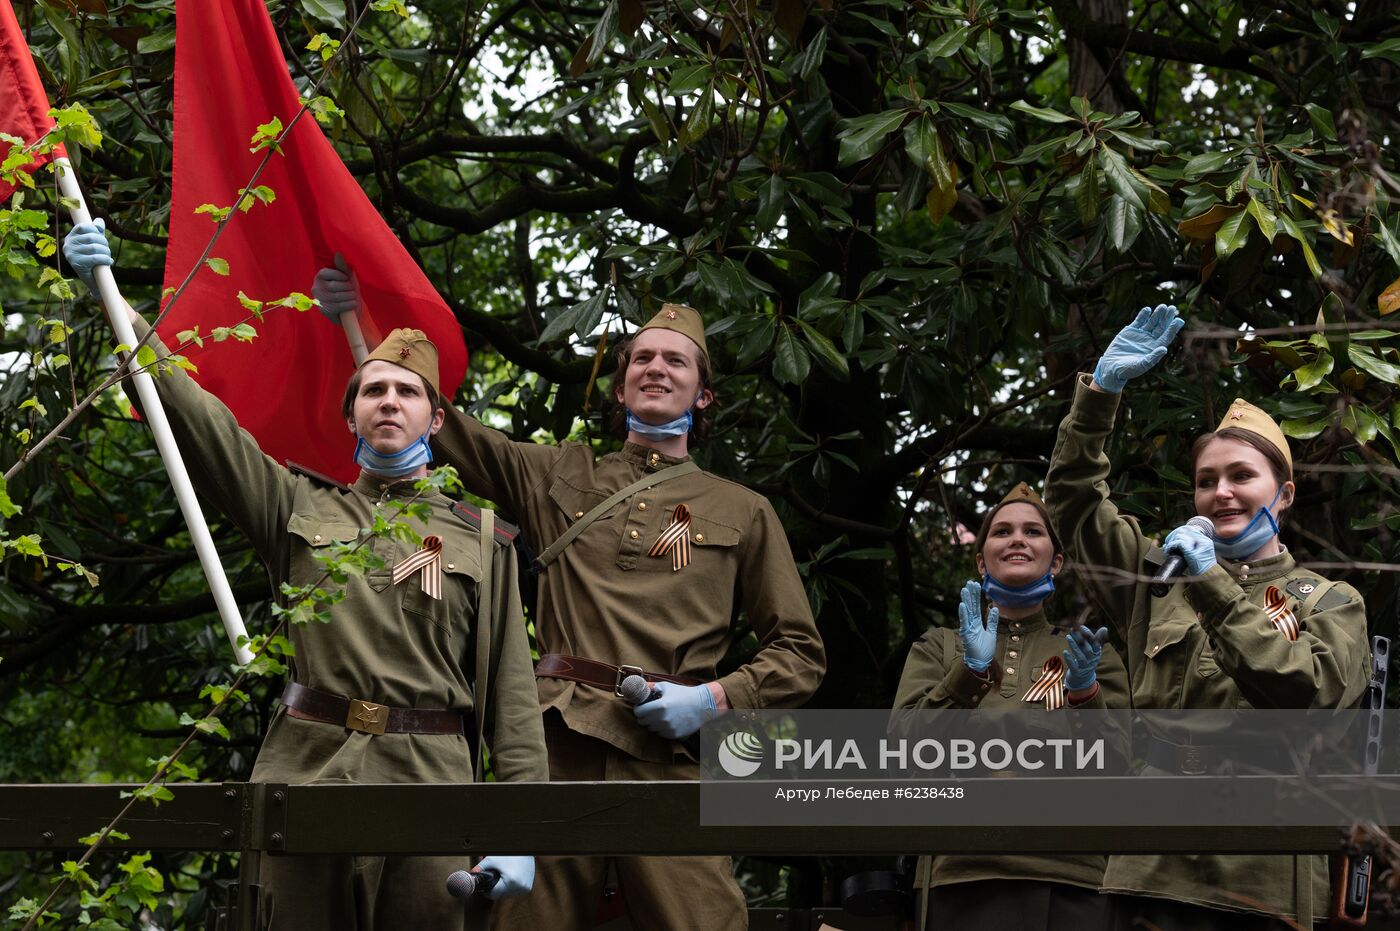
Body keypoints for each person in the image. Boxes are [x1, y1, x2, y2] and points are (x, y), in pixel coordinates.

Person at [64, 223, 548, 931]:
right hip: (308, 773)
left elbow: (512, 698)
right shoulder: (297, 505)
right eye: (373, 389)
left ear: (434, 416)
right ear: (351, 413)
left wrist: (523, 834)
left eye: (407, 392)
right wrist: (118, 310)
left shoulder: (484, 538)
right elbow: (205, 425)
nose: (389, 400)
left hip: (433, 787)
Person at [315, 262, 827, 930]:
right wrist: (361, 328)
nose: (656, 367)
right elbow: (435, 421)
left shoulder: (745, 509)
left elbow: (800, 652)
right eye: (641, 357)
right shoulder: (560, 472)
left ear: (703, 394)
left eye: (677, 360)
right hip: (555, 753)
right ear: (620, 386)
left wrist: (714, 699)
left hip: (672, 767)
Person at [1043, 303, 1371, 930]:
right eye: (1205, 480)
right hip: (1152, 868)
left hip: (1263, 874)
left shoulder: (1329, 600)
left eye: (1241, 476)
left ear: (1285, 493)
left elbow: (1306, 691)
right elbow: (1076, 507)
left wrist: (1211, 583)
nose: (1221, 492)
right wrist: (1099, 397)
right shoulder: (1157, 578)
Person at [893, 482, 1128, 931]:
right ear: (981, 559)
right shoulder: (938, 648)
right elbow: (904, 751)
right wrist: (970, 673)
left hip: (1070, 876)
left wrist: (1084, 696)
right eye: (1001, 532)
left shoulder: (1089, 652)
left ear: (1056, 561)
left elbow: (1118, 765)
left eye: (1033, 532)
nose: (1017, 539)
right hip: (959, 873)